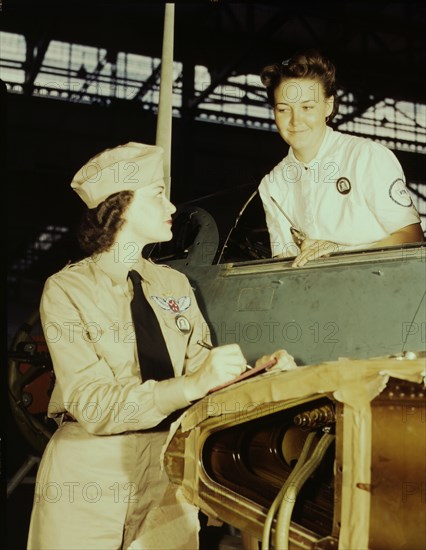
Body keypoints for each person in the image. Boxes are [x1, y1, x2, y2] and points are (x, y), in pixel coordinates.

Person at [27, 141, 294, 550]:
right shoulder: (67, 290)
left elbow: (202, 371)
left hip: (168, 465)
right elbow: (92, 403)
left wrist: (259, 377)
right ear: (122, 206)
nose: (171, 207)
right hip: (90, 472)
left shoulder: (173, 284)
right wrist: (187, 387)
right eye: (157, 194)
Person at [258, 50, 424, 267]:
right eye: (283, 109)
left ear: (328, 105)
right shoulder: (273, 185)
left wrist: (342, 252)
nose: (295, 121)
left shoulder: (367, 157)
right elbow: (286, 266)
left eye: (307, 107)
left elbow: (413, 238)